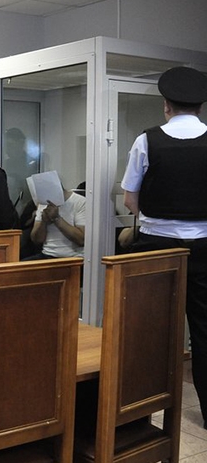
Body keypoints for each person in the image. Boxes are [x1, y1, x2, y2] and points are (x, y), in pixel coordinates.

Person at [120, 65, 207, 426]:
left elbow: (130, 199)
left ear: (166, 105)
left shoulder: (147, 140)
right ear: (200, 107)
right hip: (205, 247)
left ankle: (138, 411)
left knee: (148, 328)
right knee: (204, 330)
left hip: (156, 246)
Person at [26, 183, 86, 259]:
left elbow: (81, 240)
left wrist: (57, 219)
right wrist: (43, 222)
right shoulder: (44, 203)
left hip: (73, 257)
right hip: (47, 254)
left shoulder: (80, 202)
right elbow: (37, 240)